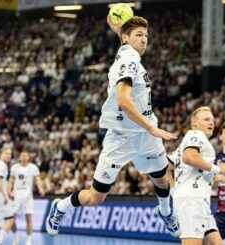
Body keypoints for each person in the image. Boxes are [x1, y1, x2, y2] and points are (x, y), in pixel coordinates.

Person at [45, 16, 181, 238]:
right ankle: (60, 207)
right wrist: (151, 127)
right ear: (125, 38)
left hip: (145, 135)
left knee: (162, 177)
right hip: (122, 136)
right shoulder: (129, 57)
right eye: (139, 35)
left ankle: (165, 211)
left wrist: (149, 129)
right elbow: (123, 100)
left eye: (146, 35)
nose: (145, 40)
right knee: (95, 197)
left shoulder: (129, 55)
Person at [167, 107, 225, 245]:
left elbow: (165, 167)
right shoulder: (196, 135)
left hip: (196, 201)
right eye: (207, 119)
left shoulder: (184, 143)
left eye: (213, 120)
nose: (212, 122)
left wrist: (174, 192)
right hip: (193, 201)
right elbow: (189, 157)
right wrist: (218, 169)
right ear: (194, 123)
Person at [7, 151, 45, 245]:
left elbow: (38, 179)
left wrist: (41, 188)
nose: (24, 157)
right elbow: (11, 180)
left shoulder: (33, 167)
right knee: (11, 218)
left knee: (28, 218)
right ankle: (15, 236)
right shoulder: (15, 167)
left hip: (28, 196)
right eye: (22, 155)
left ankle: (29, 239)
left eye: (26, 155)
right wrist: (9, 191)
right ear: (19, 157)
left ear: (28, 157)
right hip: (16, 195)